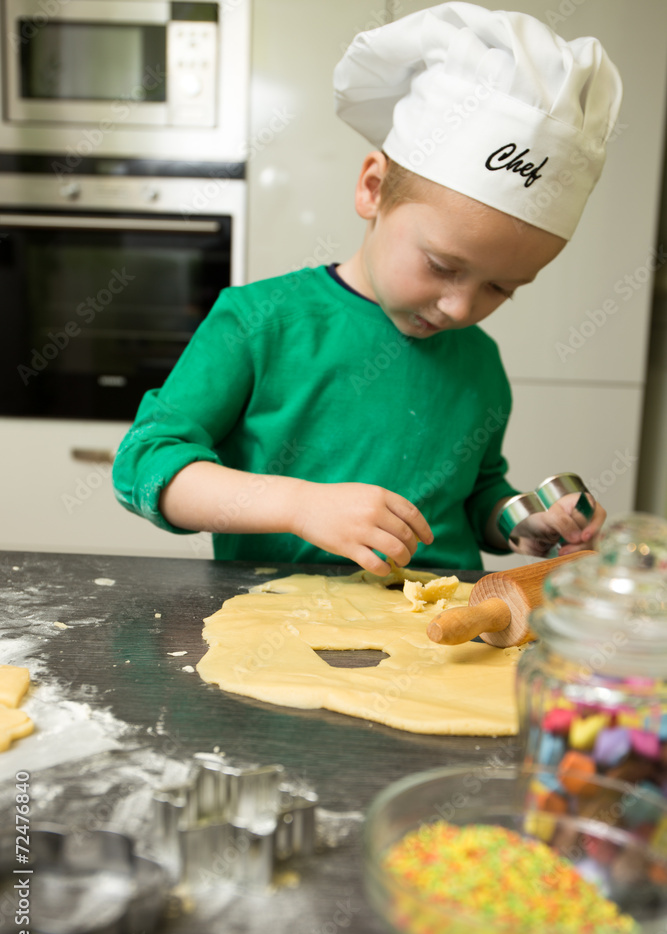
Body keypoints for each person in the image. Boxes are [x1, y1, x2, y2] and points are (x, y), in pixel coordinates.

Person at [112, 2, 621, 575]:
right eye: (442, 266)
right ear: (373, 189)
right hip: (276, 615)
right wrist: (298, 505)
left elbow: (476, 493)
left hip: (436, 620)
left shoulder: (480, 361)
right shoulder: (260, 322)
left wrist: (520, 522)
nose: (459, 308)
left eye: (501, 288)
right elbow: (143, 464)